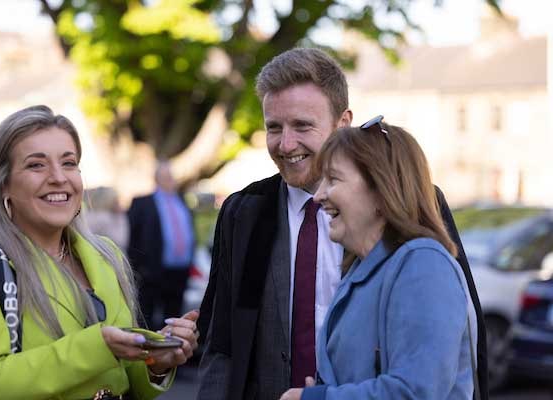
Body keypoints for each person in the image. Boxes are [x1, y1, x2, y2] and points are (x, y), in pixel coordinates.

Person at [197, 48, 488, 400]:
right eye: (274, 127)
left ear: (343, 123)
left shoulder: (412, 206)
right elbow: (222, 345)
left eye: (303, 125)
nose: (286, 144)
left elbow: (453, 357)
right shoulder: (244, 212)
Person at [0, 105, 199, 400]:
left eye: (69, 163)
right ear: (3, 185)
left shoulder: (107, 255)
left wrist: (156, 362)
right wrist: (99, 345)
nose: (59, 177)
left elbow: (128, 379)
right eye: (36, 165)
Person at [280, 117, 478, 400]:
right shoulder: (363, 269)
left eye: (333, 179)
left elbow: (416, 392)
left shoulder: (424, 266)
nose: (319, 195)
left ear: (380, 190)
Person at [127, 161, 196, 330]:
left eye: (171, 176)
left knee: (174, 317)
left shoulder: (182, 200)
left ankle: (172, 352)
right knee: (147, 317)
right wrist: (140, 268)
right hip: (152, 271)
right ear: (156, 179)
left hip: (180, 271)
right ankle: (146, 354)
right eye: (165, 177)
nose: (169, 180)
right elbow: (132, 236)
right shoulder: (143, 203)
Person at [84, 186, 129, 252]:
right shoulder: (102, 218)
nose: (118, 203)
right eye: (115, 200)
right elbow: (120, 240)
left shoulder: (116, 216)